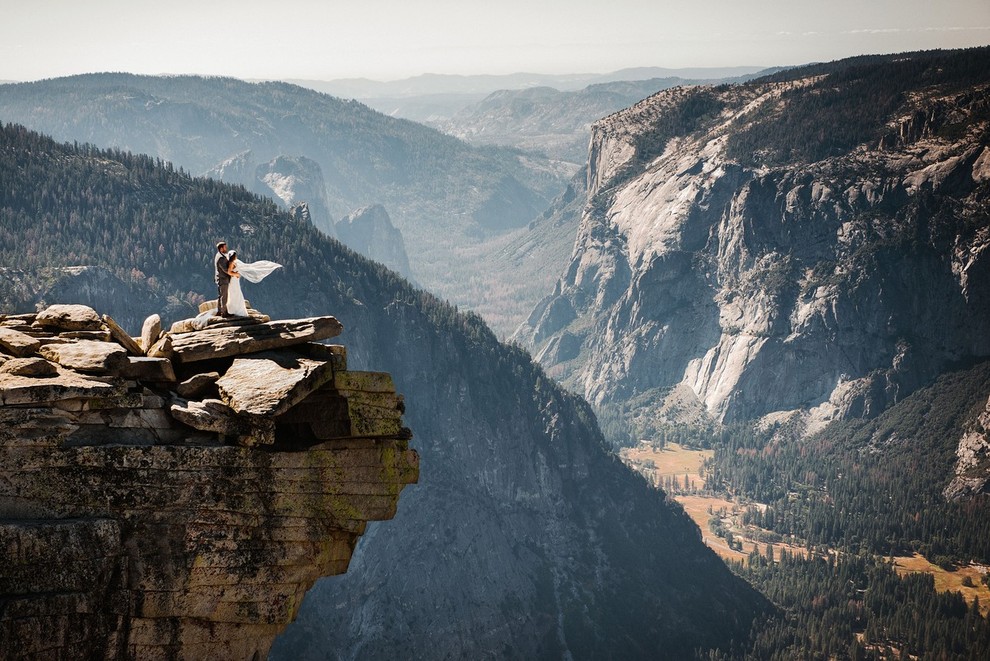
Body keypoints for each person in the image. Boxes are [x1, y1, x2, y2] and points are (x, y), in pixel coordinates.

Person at [223, 250, 283, 318]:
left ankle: (235, 310)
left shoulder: (233, 262)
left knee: (236, 293)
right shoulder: (231, 263)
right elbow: (229, 272)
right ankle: (235, 310)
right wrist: (236, 274)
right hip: (233, 280)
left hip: (235, 280)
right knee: (235, 293)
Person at [214, 241, 231, 316]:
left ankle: (219, 311)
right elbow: (225, 269)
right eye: (224, 247)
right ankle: (224, 312)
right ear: (221, 249)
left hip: (219, 278)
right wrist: (233, 273)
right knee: (224, 296)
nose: (226, 248)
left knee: (220, 295)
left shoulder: (219, 255)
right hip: (223, 279)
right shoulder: (221, 258)